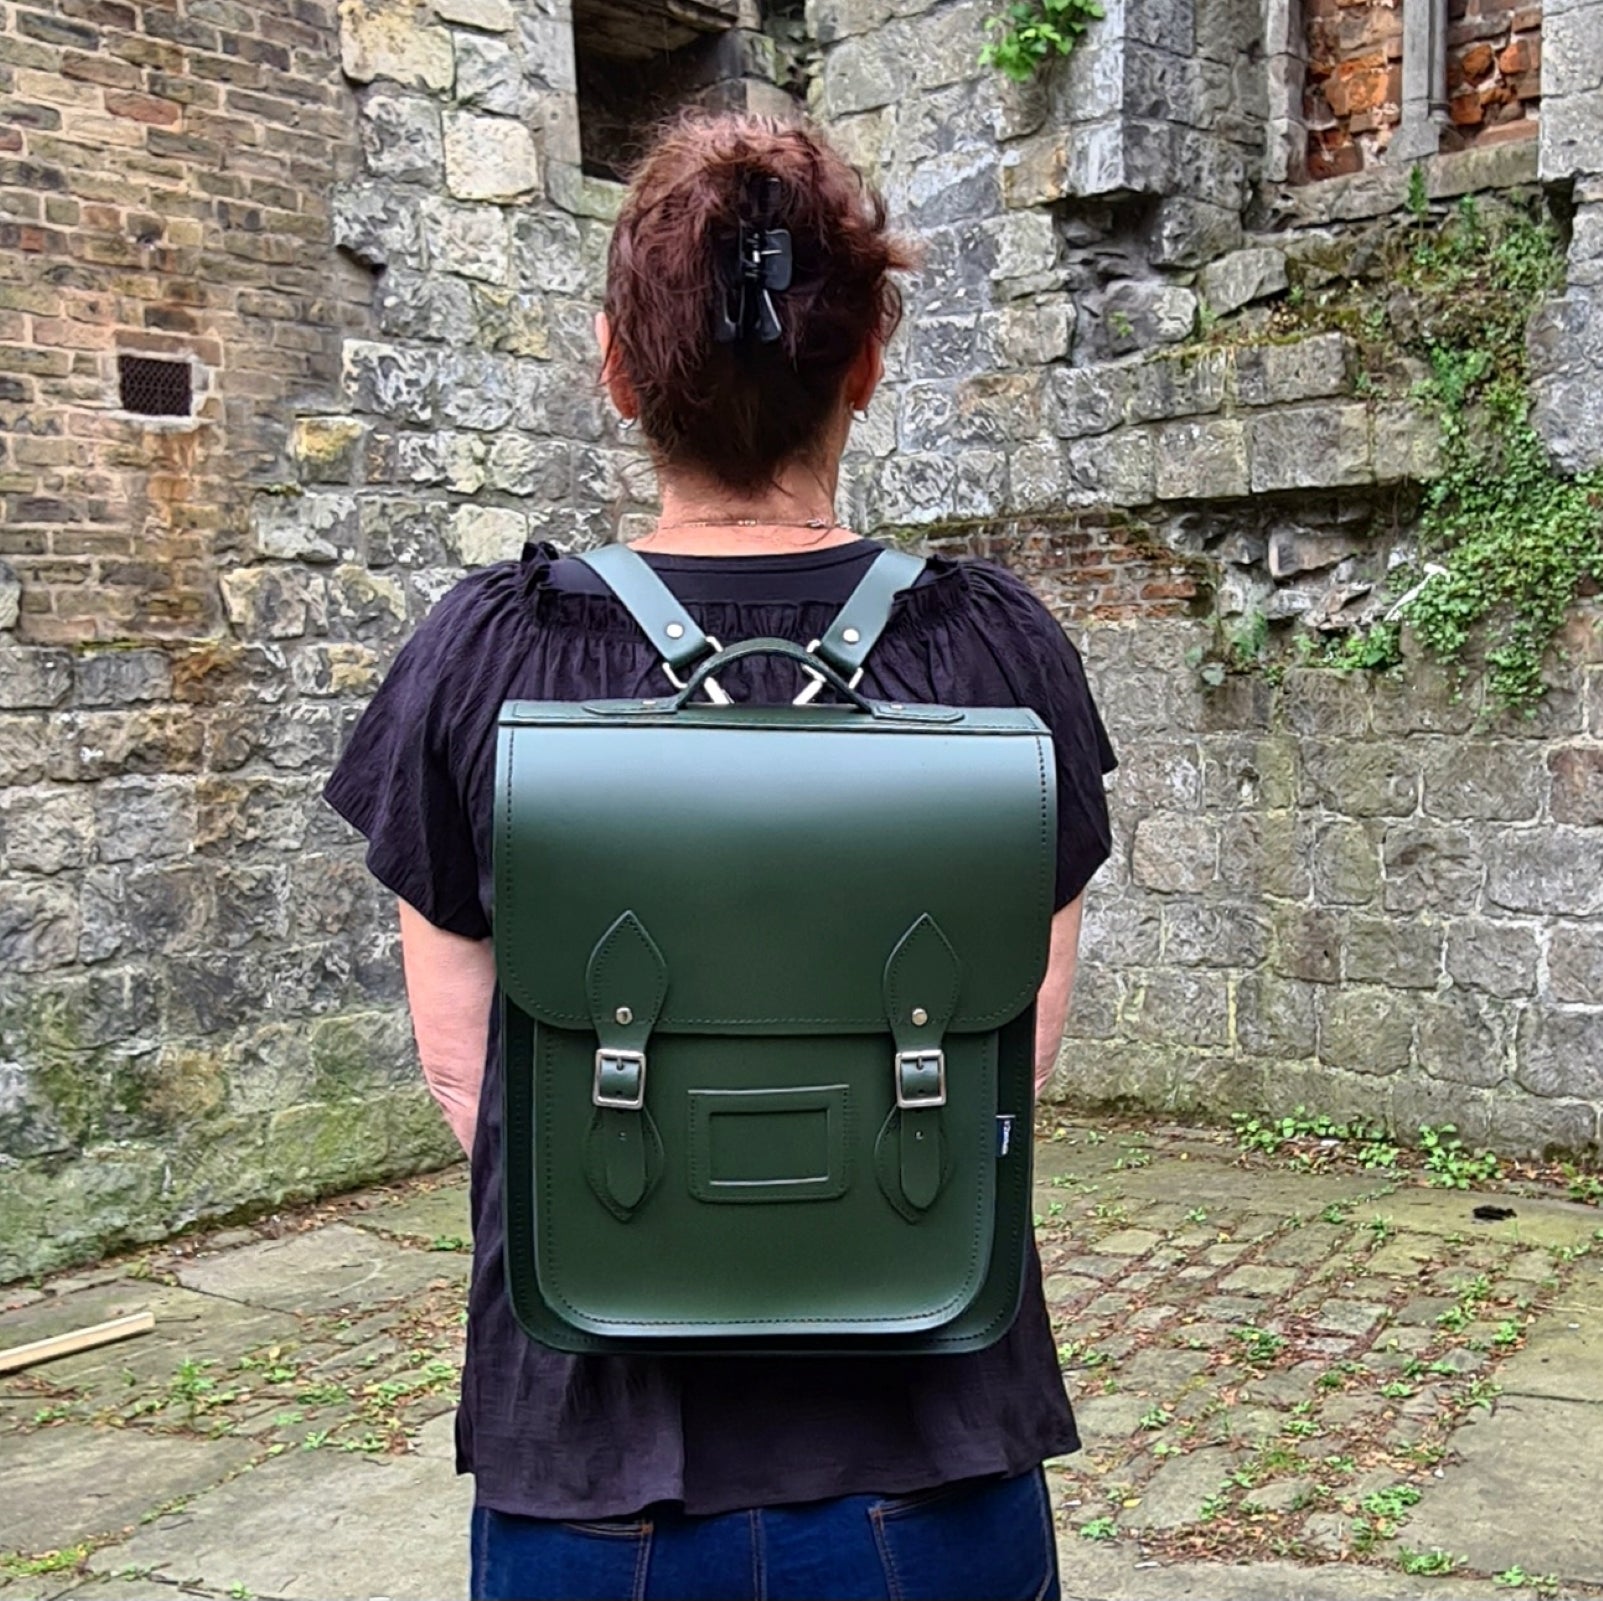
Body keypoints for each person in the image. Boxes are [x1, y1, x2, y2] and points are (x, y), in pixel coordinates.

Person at [325, 110, 1117, 1601]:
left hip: (595, 1473)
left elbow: (468, 1073)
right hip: (928, 1449)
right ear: (866, 365)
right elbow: (1018, 1043)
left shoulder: (486, 655)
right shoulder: (999, 651)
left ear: (619, 369)